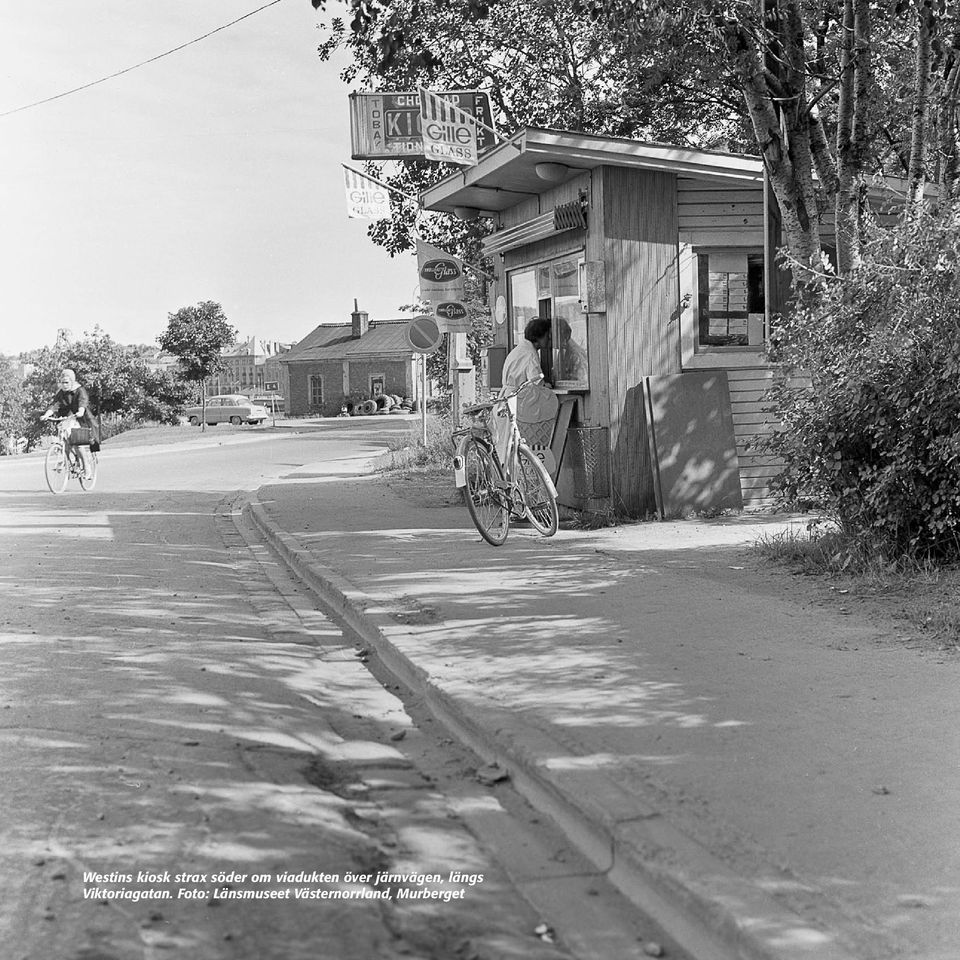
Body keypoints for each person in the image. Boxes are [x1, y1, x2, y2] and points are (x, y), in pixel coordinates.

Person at [41, 369, 96, 480]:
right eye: (62, 382)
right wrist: (46, 415)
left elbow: (82, 402)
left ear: (72, 381)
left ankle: (87, 467)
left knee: (78, 444)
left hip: (80, 419)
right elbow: (54, 405)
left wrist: (80, 411)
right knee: (65, 443)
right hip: (67, 419)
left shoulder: (79, 390)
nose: (64, 385)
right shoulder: (61, 393)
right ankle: (67, 463)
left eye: (66, 382)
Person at [501, 316, 551, 392]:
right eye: (547, 336)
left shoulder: (521, 349)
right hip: (519, 397)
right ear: (539, 336)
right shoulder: (530, 354)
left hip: (509, 394)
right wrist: (547, 386)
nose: (549, 339)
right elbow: (537, 382)